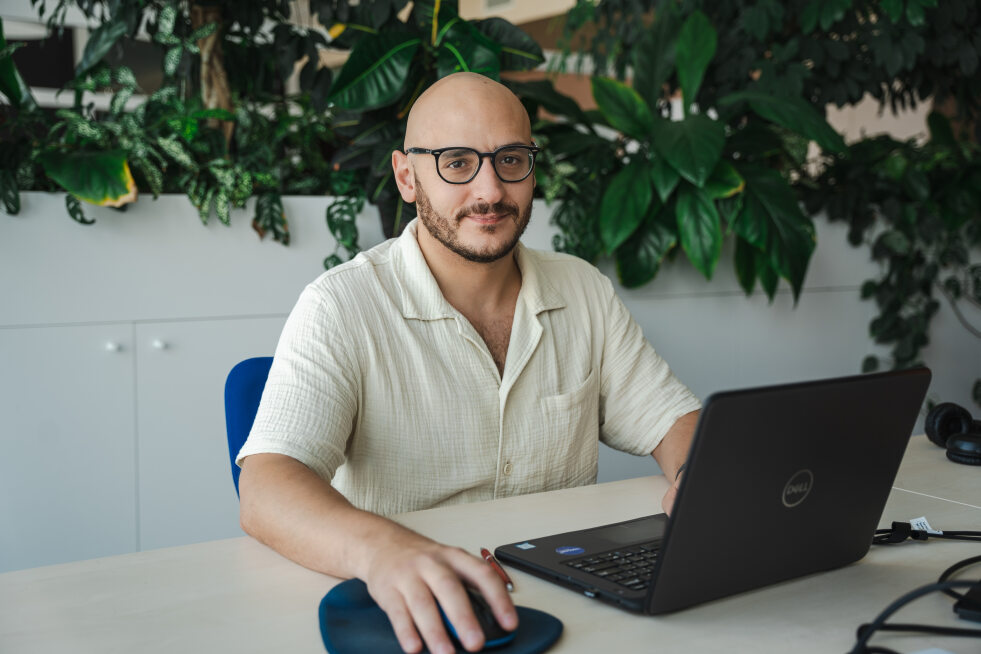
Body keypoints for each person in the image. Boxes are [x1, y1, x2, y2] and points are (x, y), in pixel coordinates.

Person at [236, 72, 701, 654]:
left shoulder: (582, 289)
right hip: (414, 612)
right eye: (457, 162)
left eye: (511, 160)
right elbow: (265, 490)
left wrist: (696, 482)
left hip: (569, 596)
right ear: (407, 176)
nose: (490, 191)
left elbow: (675, 421)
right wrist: (384, 550)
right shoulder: (340, 304)